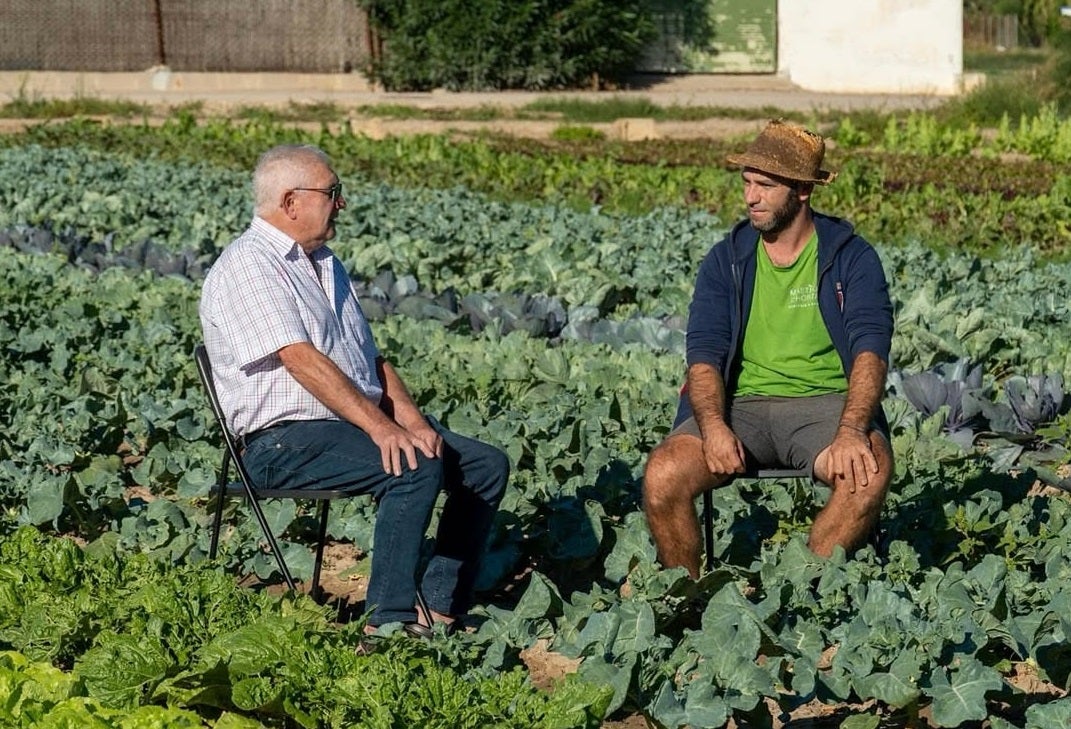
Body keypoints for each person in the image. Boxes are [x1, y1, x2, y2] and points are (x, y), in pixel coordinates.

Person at [199, 144, 509, 635]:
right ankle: (385, 623)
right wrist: (383, 431)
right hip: (280, 440)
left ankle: (438, 606)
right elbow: (299, 359)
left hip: (341, 426)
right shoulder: (249, 266)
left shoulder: (324, 263)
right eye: (332, 192)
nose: (341, 203)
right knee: (413, 465)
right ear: (291, 201)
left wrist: (410, 420)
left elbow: (370, 361)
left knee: (484, 465)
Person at [642, 120, 894, 578]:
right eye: (747, 183)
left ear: (801, 191)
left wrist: (853, 429)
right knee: (662, 475)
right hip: (742, 406)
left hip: (825, 408)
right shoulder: (728, 260)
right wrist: (713, 425)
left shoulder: (852, 258)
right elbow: (703, 356)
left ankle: (804, 590)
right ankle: (687, 597)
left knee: (868, 475)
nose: (750, 197)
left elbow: (870, 352)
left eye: (765, 185)